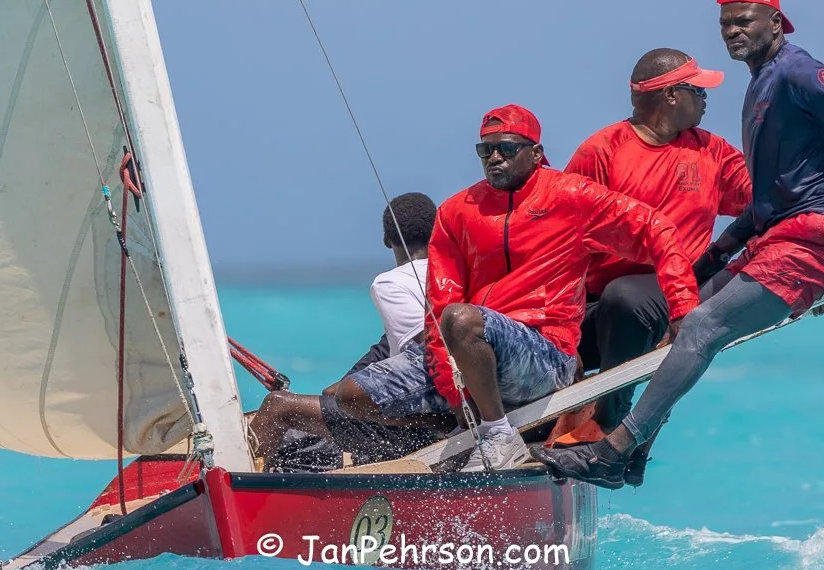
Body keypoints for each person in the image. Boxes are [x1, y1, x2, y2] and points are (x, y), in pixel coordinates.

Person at [536, 0, 824, 488]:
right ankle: (627, 449)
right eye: (725, 23)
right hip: (783, 234)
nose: (732, 31)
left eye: (744, 20)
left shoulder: (799, 73)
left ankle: (615, 448)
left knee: (699, 327)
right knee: (680, 309)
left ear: (776, 21)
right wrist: (711, 259)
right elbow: (766, 201)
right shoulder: (760, 85)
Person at [251, 104, 700, 472]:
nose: (494, 158)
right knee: (345, 396)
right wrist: (453, 388)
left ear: (536, 152)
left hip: (545, 352)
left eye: (506, 148)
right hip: (468, 350)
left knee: (462, 320)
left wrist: (682, 307)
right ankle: (450, 434)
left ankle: (497, 436)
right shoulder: (456, 212)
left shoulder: (573, 197)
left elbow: (657, 229)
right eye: (485, 150)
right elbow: (438, 307)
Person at [562, 48, 751, 485]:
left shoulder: (713, 153)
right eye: (697, 89)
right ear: (669, 95)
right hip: (596, 305)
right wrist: (561, 331)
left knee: (628, 297)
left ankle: (612, 426)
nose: (706, 99)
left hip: (671, 293)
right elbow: (562, 241)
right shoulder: (602, 151)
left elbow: (764, 201)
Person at [254, 193, 447, 472]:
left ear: (386, 239)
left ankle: (238, 490)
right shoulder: (454, 274)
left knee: (277, 407)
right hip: (445, 412)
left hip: (421, 424)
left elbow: (419, 358)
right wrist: (343, 385)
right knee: (324, 411)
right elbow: (388, 348)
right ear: (436, 231)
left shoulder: (390, 284)